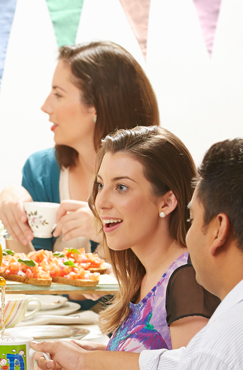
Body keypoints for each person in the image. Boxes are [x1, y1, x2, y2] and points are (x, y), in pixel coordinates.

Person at [31, 138, 243, 370]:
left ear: (218, 230)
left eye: (194, 218)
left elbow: (202, 360)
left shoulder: (225, 349)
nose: (188, 233)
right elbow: (180, 362)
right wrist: (89, 360)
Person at [0, 41, 159, 254]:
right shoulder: (41, 171)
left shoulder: (153, 177)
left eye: (58, 94)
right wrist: (11, 211)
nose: (46, 107)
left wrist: (104, 232)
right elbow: (34, 275)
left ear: (95, 106)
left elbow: (160, 271)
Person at [93, 126, 218, 352]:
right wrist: (85, 356)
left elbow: (187, 368)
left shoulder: (188, 278)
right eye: (101, 185)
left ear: (167, 202)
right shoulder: (145, 275)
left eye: (121, 187)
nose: (100, 201)